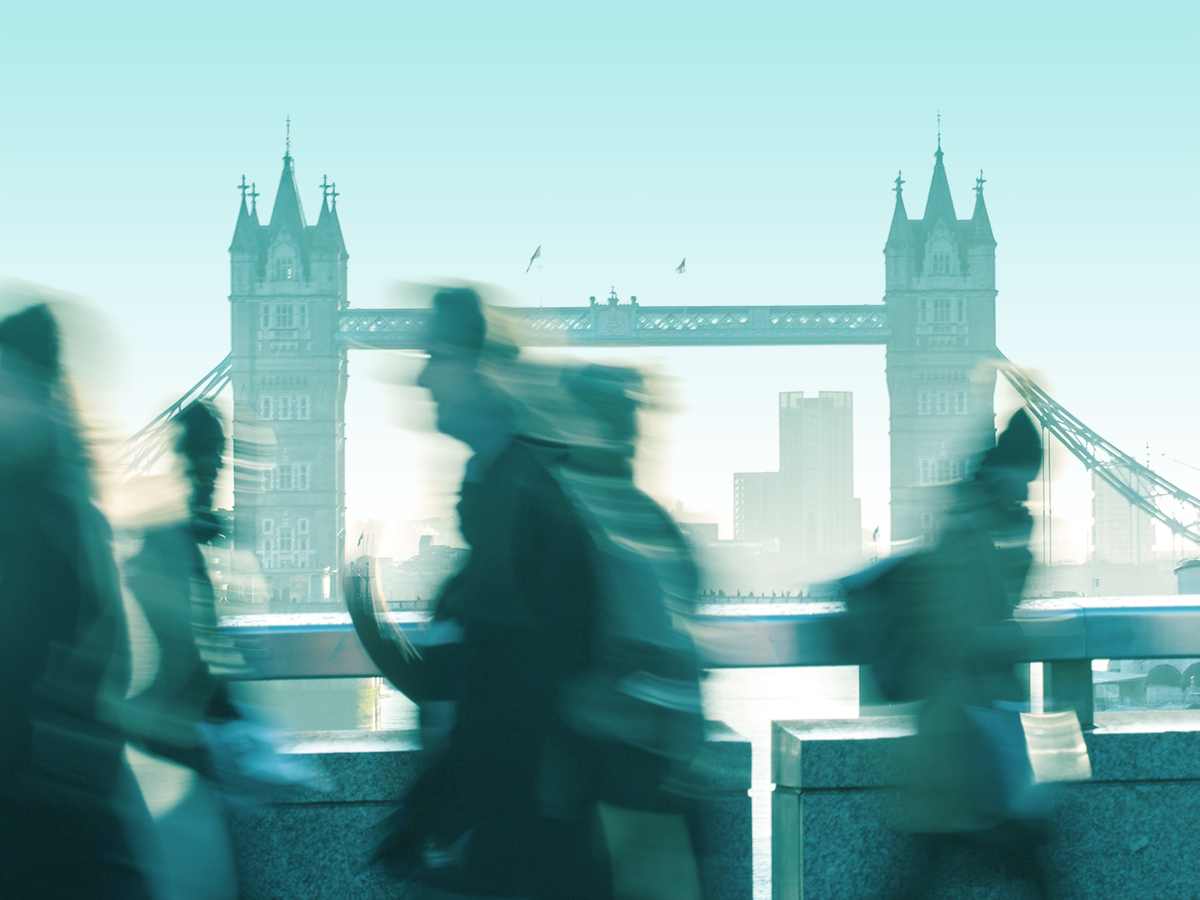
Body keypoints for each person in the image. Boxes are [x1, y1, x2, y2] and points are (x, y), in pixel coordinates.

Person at [347, 288, 706, 899]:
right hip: (547, 804)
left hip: (542, 808)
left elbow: (519, 668)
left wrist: (433, 802)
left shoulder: (525, 488)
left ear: (483, 363)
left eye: (438, 354)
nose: (422, 375)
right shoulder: (509, 479)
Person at [0, 303, 153, 899]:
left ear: (42, 394)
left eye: (7, 386)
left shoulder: (46, 516)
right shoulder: (63, 506)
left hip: (43, 809)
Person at [880, 410, 1057, 899]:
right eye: (1023, 479)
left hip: (984, 721)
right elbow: (956, 635)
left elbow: (998, 606)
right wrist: (1020, 637)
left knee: (942, 863)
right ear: (999, 472)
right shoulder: (962, 535)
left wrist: (1020, 547)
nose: (1025, 491)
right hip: (960, 730)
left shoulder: (990, 529)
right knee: (942, 863)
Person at [122, 400, 242, 900]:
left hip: (168, 738)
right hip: (167, 744)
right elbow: (184, 650)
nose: (216, 466)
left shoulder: (179, 536)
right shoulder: (169, 540)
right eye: (208, 451)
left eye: (221, 452)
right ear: (183, 456)